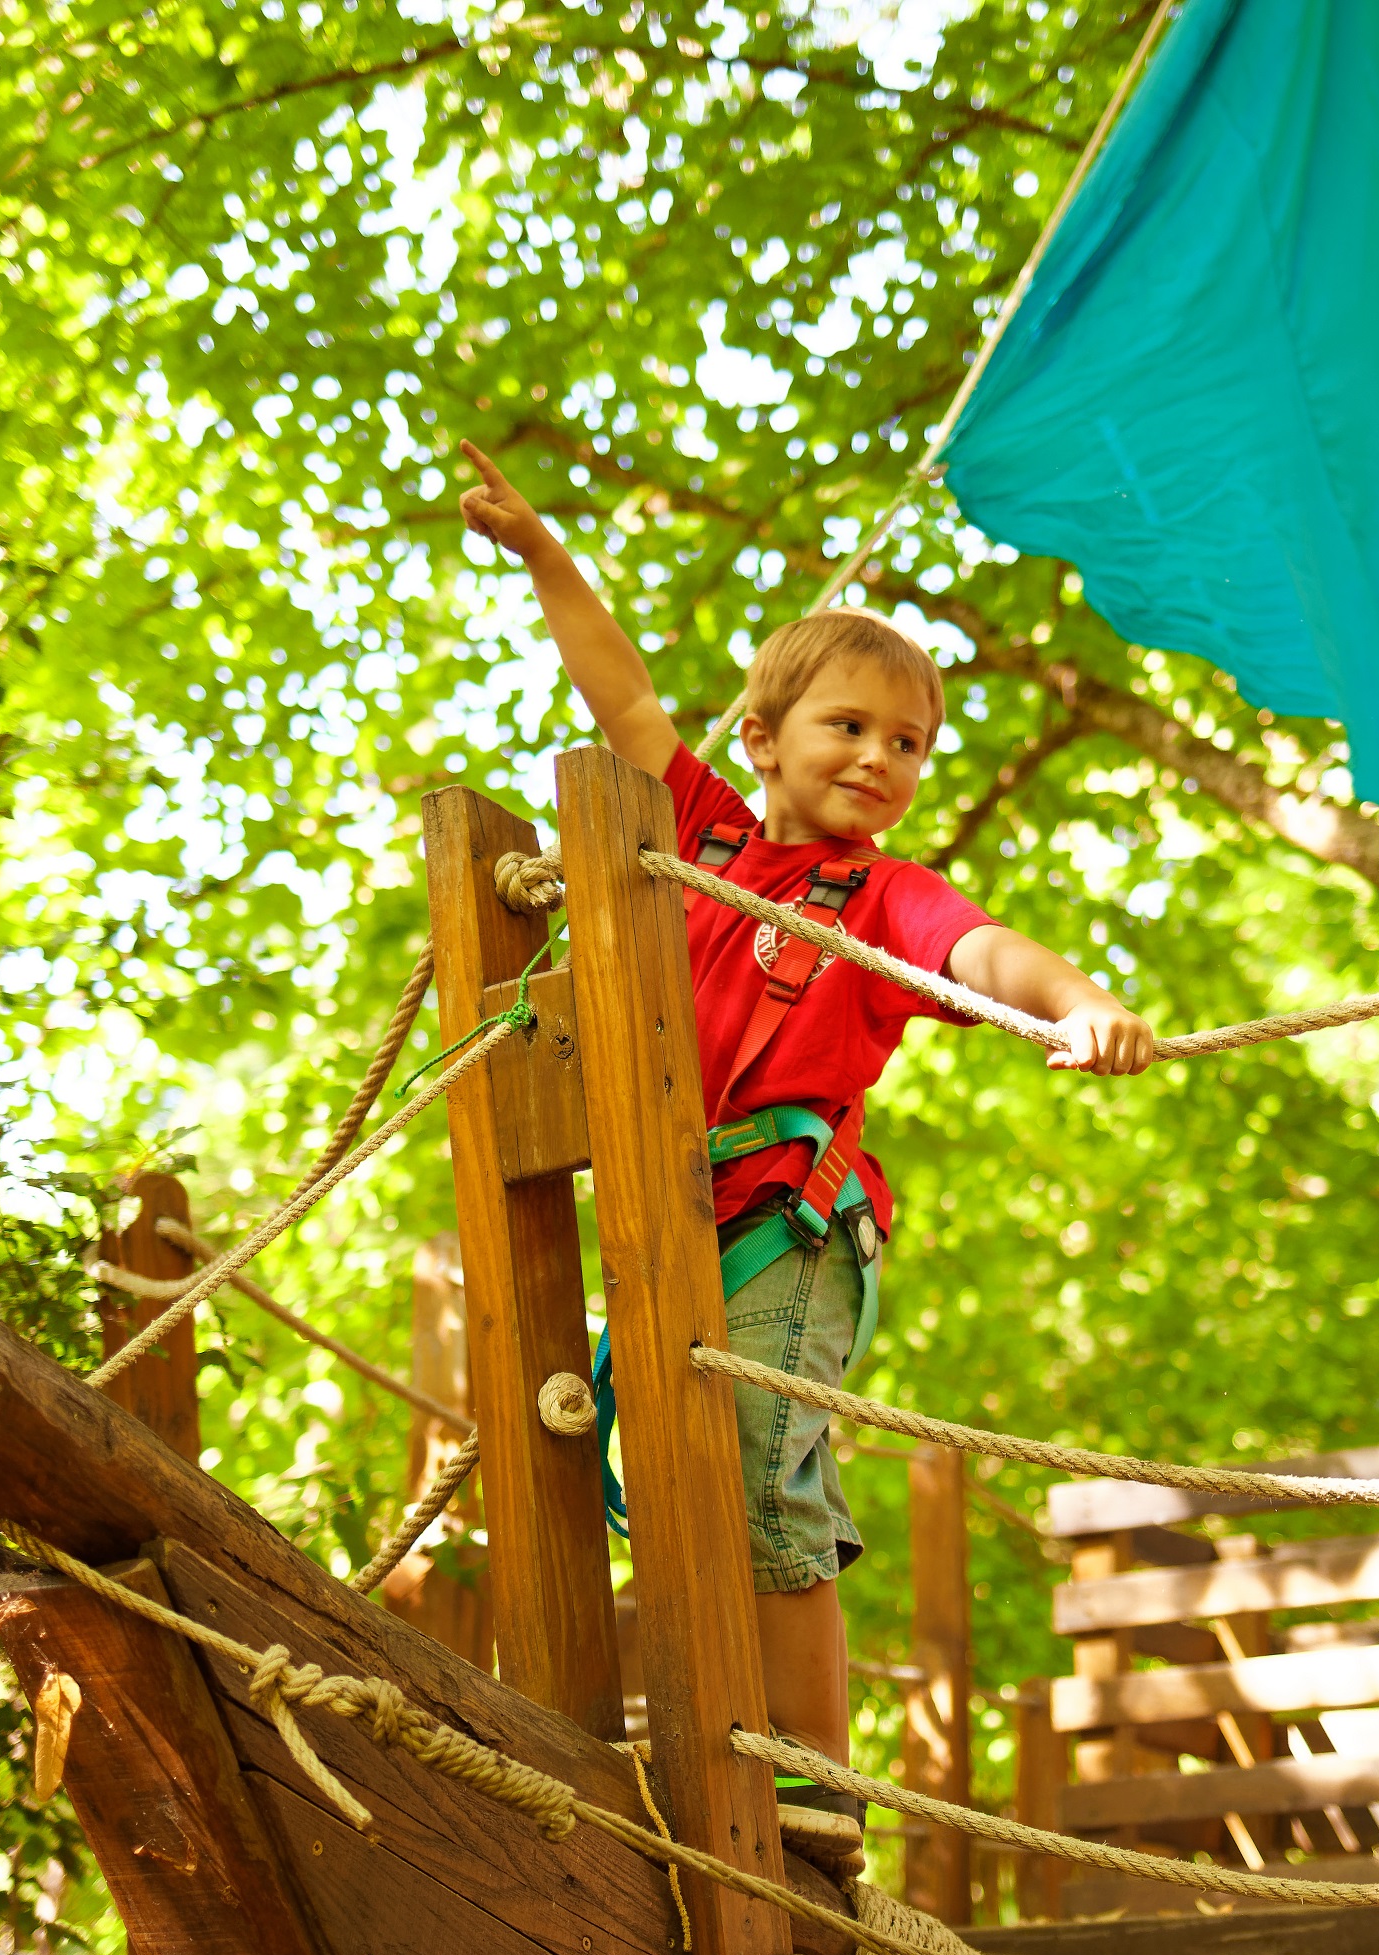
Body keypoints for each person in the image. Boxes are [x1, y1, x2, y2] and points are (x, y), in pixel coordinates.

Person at [458, 441, 1156, 1876]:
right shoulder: (702, 840)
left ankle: (823, 1800)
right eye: (850, 727)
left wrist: (1079, 1006)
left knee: (770, 1480)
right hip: (671, 1220)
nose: (881, 762)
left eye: (909, 745)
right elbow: (624, 697)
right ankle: (717, 1748)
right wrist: (541, 553)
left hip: (784, 1222)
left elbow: (982, 951)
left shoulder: (875, 895)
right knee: (667, 1476)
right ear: (763, 740)